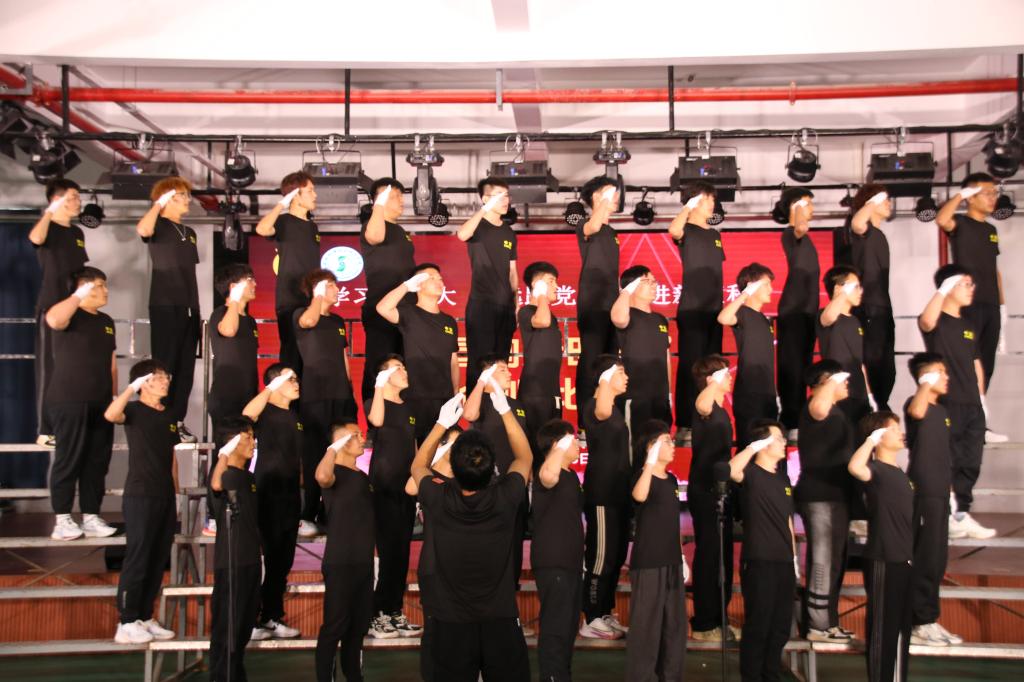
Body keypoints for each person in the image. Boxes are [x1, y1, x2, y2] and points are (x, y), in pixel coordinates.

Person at [411, 392, 533, 682]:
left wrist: (441, 424)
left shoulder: (438, 496)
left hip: (451, 622)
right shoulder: (506, 496)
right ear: (492, 468)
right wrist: (505, 410)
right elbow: (524, 457)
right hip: (500, 619)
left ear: (453, 467)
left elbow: (418, 466)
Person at [918, 265, 997, 539]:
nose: (971, 289)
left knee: (970, 461)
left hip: (972, 405)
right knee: (948, 459)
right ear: (949, 286)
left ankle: (961, 513)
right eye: (965, 284)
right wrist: (943, 288)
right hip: (948, 403)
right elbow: (926, 322)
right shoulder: (937, 320)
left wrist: (982, 400)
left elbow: (976, 365)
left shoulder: (967, 326)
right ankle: (949, 514)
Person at [105, 359, 178, 644]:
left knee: (158, 558)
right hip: (140, 494)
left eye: (165, 376)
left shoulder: (169, 414)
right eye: (157, 377)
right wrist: (130, 388)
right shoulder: (133, 410)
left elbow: (172, 456)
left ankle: (145, 616)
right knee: (139, 556)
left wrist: (176, 492)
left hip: (164, 495)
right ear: (142, 384)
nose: (164, 381)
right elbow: (111, 414)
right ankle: (126, 621)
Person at [45, 266, 117, 541]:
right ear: (83, 287)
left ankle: (91, 516)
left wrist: (113, 398)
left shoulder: (106, 321)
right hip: (70, 399)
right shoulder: (68, 312)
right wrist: (78, 294)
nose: (105, 291)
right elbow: (54, 320)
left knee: (97, 462)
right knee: (69, 459)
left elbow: (111, 364)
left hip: (101, 402)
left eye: (105, 285)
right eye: (99, 285)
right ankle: (62, 519)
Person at [935, 173, 1008, 443]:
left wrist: (1002, 306)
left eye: (994, 193)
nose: (992, 198)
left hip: (991, 305)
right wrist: (960, 195)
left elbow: (994, 270)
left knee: (985, 365)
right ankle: (959, 424)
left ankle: (980, 424)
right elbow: (941, 219)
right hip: (969, 305)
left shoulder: (991, 231)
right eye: (987, 193)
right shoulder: (961, 224)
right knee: (966, 364)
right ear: (971, 196)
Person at [729, 420, 798, 682]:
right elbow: (730, 470)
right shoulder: (751, 474)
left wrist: (794, 560)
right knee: (759, 624)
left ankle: (771, 675)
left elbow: (788, 521)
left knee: (780, 627)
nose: (784, 443)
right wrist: (752, 447)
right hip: (760, 560)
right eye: (778, 438)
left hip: (784, 562)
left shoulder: (783, 478)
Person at [848, 412, 914, 682]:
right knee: (883, 630)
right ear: (878, 436)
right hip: (883, 558)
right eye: (893, 429)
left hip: (904, 559)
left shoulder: (900, 474)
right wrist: (870, 441)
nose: (901, 433)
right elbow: (855, 467)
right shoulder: (875, 470)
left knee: (901, 630)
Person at [904, 353, 962, 647]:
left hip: (940, 493)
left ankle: (928, 618)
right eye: (941, 372)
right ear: (925, 376)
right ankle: (919, 621)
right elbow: (916, 411)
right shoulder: (918, 403)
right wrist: (926, 383)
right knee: (926, 557)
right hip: (924, 491)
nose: (947, 377)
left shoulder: (942, 411)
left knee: (937, 559)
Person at [135, 176, 200, 442]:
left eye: (187, 195)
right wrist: (158, 204)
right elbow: (143, 230)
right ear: (167, 198)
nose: (187, 200)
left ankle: (177, 421)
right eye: (181, 195)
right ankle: (158, 417)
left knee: (186, 368)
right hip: (165, 304)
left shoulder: (189, 232)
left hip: (190, 306)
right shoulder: (157, 225)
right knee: (166, 364)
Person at [241, 364, 303, 640]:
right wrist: (270, 387)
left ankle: (271, 616)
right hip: (269, 493)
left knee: (282, 561)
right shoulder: (264, 411)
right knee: (266, 560)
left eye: (296, 378)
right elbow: (246, 415)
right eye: (290, 379)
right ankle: (251, 620)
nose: (296, 383)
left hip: (290, 495)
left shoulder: (295, 416)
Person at [796, 359, 856, 642]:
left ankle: (829, 621)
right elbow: (820, 407)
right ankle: (817, 624)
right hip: (819, 496)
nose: (846, 384)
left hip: (838, 495)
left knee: (835, 560)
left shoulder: (837, 412)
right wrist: (831, 381)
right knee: (822, 559)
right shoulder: (815, 408)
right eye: (841, 379)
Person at [294, 269, 357, 536]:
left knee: (341, 452)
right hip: (315, 396)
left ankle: (331, 511)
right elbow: (309, 321)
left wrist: (349, 391)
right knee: (314, 454)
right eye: (330, 285)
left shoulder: (338, 321)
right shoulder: (302, 314)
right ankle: (307, 514)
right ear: (317, 289)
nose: (336, 290)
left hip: (340, 396)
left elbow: (344, 359)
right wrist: (318, 296)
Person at [626, 420, 689, 682]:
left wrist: (682, 556)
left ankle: (670, 677)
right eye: (666, 441)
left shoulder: (672, 480)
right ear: (651, 447)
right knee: (646, 629)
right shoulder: (642, 476)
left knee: (674, 627)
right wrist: (650, 463)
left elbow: (673, 522)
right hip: (649, 563)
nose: (673, 446)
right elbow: (639, 496)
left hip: (672, 561)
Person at [313, 422, 375, 682]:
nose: (362, 439)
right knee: (335, 626)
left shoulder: (362, 477)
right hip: (341, 562)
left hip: (363, 563)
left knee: (358, 628)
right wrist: (332, 449)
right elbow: (321, 477)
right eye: (356, 435)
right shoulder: (333, 472)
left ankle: (354, 676)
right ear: (340, 442)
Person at [365, 355, 421, 638]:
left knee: (401, 553)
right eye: (398, 368)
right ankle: (377, 614)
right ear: (384, 376)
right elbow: (375, 420)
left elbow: (414, 447)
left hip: (406, 488)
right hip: (384, 487)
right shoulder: (376, 402)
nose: (405, 371)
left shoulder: (409, 407)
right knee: (388, 553)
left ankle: (394, 610)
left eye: (404, 367)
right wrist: (378, 386)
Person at [462, 355, 531, 588]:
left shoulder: (517, 405)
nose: (510, 373)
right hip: (489, 485)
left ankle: (511, 591)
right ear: (487, 373)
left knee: (514, 541)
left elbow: (524, 443)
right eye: (502, 370)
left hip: (516, 483)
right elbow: (469, 415)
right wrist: (481, 382)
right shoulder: (480, 400)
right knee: (491, 541)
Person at [28, 178, 87, 447]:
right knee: (49, 368)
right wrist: (50, 212)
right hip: (51, 305)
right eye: (73, 197)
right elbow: (36, 238)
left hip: (74, 306)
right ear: (58, 199)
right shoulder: (47, 227)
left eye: (78, 197)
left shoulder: (77, 233)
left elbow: (81, 271)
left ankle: (67, 425)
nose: (78, 202)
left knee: (71, 367)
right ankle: (45, 429)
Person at [376, 263, 460, 444]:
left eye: (440, 279)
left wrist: (455, 394)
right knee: (416, 447)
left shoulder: (449, 321)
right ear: (418, 284)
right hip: (416, 395)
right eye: (432, 278)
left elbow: (453, 361)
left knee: (444, 448)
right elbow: (382, 308)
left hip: (444, 397)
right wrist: (406, 286)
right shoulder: (409, 313)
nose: (439, 282)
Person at [205, 264, 260, 537]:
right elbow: (227, 330)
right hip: (226, 397)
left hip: (247, 397)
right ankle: (213, 514)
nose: (255, 284)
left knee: (245, 452)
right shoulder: (221, 314)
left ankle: (237, 509)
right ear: (233, 286)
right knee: (224, 453)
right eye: (249, 280)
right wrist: (235, 300)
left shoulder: (251, 322)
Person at [579, 355, 631, 640]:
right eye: (620, 372)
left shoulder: (617, 410)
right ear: (606, 376)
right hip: (601, 493)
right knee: (601, 557)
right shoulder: (595, 406)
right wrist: (605, 382)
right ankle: (591, 617)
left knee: (616, 555)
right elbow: (601, 409)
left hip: (619, 494)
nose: (627, 378)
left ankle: (605, 611)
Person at [404, 425, 462, 682]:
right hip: (434, 566)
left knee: (462, 629)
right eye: (455, 444)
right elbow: (410, 487)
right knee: (434, 629)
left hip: (462, 565)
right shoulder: (430, 477)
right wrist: (438, 454)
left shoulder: (466, 479)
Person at [670, 181, 725, 441]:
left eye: (712, 199)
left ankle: (710, 416)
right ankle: (686, 424)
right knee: (690, 366)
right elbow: (674, 230)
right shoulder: (686, 230)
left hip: (715, 310)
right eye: (705, 199)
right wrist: (687, 208)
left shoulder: (715, 235)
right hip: (693, 309)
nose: (711, 204)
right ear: (692, 202)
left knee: (713, 367)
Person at [208, 417, 261, 682]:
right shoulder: (225, 474)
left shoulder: (247, 477)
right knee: (227, 630)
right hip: (232, 562)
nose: (253, 442)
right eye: (247, 437)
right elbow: (217, 484)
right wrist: (224, 453)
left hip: (251, 561)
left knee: (242, 629)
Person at [688, 354, 737, 641]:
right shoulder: (705, 406)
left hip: (722, 490)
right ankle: (704, 624)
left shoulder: (721, 408)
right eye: (724, 374)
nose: (730, 378)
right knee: (709, 555)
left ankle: (719, 618)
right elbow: (701, 404)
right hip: (705, 490)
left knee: (723, 556)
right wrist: (712, 381)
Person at [531, 420, 584, 682]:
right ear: (557, 444)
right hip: (554, 563)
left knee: (568, 628)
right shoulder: (547, 472)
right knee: (556, 627)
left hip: (571, 563)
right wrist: (560, 446)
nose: (578, 444)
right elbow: (547, 476)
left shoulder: (571, 475)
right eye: (572, 439)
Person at [835, 184, 895, 411]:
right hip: (869, 306)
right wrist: (871, 201)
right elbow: (858, 222)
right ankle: (872, 406)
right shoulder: (864, 231)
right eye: (883, 199)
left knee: (886, 363)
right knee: (873, 359)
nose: (888, 203)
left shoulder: (879, 235)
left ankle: (881, 405)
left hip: (883, 306)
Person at [254, 171, 321, 373]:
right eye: (310, 191)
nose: (315, 195)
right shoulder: (283, 221)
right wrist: (282, 204)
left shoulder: (312, 227)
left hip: (312, 299)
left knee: (311, 355)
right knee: (292, 354)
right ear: (295, 195)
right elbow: (262, 229)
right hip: (290, 298)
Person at [457, 176, 517, 387]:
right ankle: (476, 406)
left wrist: (515, 302)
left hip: (505, 306)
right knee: (480, 360)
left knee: (501, 360)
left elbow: (512, 271)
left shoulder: (508, 231)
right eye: (498, 196)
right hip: (482, 303)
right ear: (485, 198)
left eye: (506, 196)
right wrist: (484, 210)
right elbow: (462, 234)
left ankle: (497, 404)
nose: (505, 200)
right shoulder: (478, 226)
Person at [361, 178, 416, 404]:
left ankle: (399, 412)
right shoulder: (373, 226)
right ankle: (373, 412)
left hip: (404, 310)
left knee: (402, 367)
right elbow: (375, 237)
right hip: (380, 308)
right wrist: (379, 205)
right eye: (394, 196)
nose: (401, 201)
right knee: (380, 363)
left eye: (401, 196)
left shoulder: (401, 231)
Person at [719, 262, 778, 449]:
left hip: (767, 391)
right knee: (749, 445)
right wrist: (745, 294)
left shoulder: (764, 319)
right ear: (752, 285)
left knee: (768, 446)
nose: (771, 289)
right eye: (766, 284)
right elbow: (723, 318)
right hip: (749, 391)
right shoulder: (742, 312)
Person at [611, 265, 672, 443]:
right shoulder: (627, 314)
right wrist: (625, 291)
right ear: (632, 286)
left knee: (658, 447)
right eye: (647, 281)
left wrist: (668, 394)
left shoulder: (660, 320)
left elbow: (666, 357)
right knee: (636, 447)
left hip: (660, 396)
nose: (654, 285)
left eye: (655, 281)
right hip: (635, 396)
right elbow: (618, 319)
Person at [776, 188, 819, 442]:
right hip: (793, 311)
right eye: (808, 204)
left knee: (804, 366)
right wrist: (799, 206)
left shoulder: (807, 240)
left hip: (808, 313)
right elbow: (800, 225)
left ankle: (799, 418)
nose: (812, 209)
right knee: (791, 367)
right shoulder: (791, 233)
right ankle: (790, 419)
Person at [574, 176, 621, 406]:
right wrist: (602, 202)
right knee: (592, 357)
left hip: (612, 302)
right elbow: (593, 226)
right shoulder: (585, 224)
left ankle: (607, 409)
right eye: (611, 193)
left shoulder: (612, 232)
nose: (616, 197)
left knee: (611, 359)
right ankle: (586, 415)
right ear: (596, 196)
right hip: (593, 302)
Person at [818, 265, 874, 425]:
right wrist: (841, 293)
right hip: (838, 392)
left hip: (859, 392)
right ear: (839, 288)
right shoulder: (825, 314)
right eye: (855, 287)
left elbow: (860, 362)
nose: (860, 291)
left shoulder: (855, 321)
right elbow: (829, 317)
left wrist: (869, 394)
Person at [517, 262, 564, 447]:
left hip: (552, 391)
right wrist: (541, 294)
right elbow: (542, 321)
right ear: (537, 284)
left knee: (553, 446)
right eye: (551, 281)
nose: (556, 286)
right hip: (535, 393)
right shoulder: (526, 311)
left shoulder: (552, 317)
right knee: (536, 446)